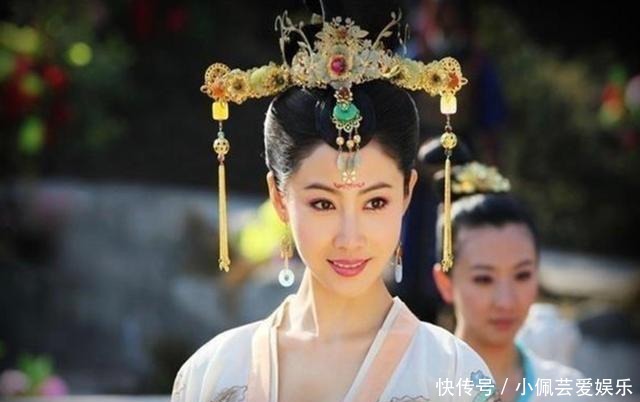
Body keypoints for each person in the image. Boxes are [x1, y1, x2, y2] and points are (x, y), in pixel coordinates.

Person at [172, 8, 497, 402]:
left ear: (407, 194)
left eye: (375, 202)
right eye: (323, 203)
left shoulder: (456, 374)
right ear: (279, 198)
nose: (349, 238)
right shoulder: (213, 372)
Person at [431, 161, 585, 402]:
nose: (506, 301)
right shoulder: (417, 387)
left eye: (522, 275)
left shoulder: (568, 390)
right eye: (484, 279)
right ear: (445, 283)